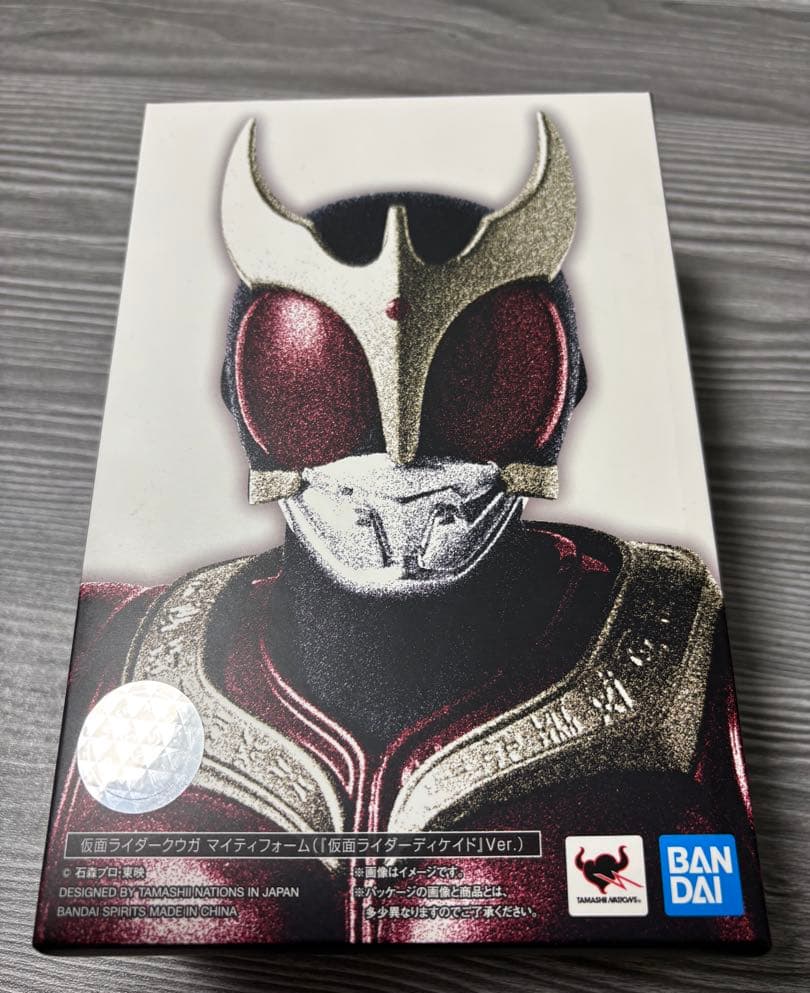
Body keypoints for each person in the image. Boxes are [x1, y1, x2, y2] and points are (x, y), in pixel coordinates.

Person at [36, 116, 767, 948]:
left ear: (562, 387)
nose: (401, 454)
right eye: (316, 378)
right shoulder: (111, 647)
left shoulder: (692, 660)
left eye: (485, 373)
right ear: (243, 389)